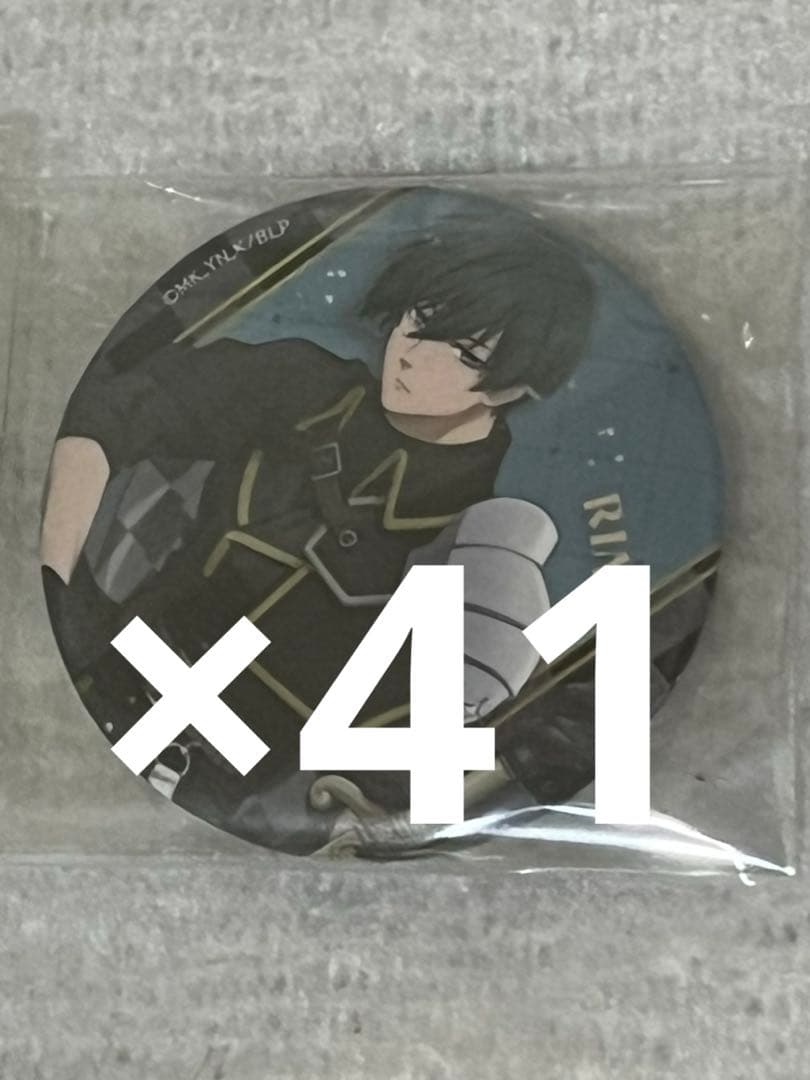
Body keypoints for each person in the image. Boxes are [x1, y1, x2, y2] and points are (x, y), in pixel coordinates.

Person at [40, 209, 597, 854]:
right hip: (95, 676)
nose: (413, 355)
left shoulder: (483, 551)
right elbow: (111, 415)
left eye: (465, 354)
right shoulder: (300, 387)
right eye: (419, 318)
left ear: (514, 388)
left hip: (239, 798)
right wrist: (54, 584)